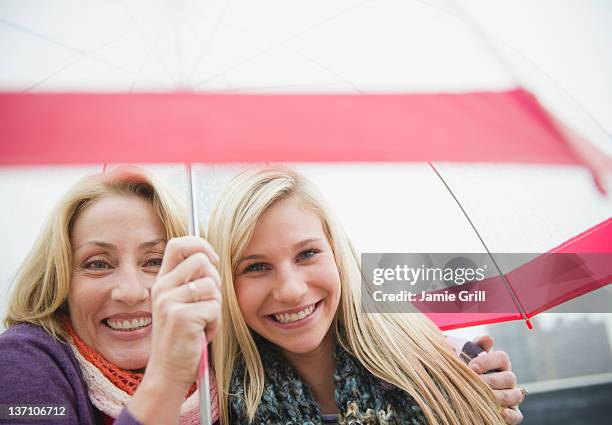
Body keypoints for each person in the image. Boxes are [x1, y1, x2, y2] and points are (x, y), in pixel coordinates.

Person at [207, 166, 525, 425]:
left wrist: (478, 410)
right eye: (257, 267)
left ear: (338, 254)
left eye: (306, 254)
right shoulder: (212, 407)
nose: (291, 291)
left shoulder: (450, 368)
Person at [0, 167, 221, 425]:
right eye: (98, 264)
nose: (130, 292)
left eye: (154, 261)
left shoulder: (230, 369)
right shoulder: (21, 363)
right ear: (60, 284)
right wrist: (168, 375)